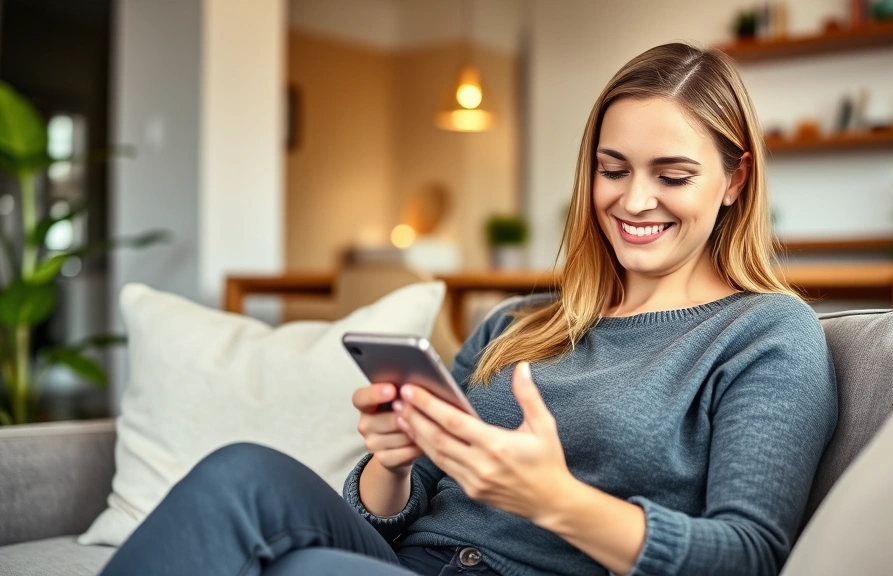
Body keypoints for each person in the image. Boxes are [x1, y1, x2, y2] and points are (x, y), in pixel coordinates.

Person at [100, 42, 837, 576]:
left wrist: (554, 501)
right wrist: (392, 462)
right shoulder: (516, 322)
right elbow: (392, 511)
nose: (634, 200)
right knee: (240, 474)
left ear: (735, 179)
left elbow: (748, 555)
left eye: (672, 175)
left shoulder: (764, 333)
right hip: (409, 561)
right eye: (612, 170)